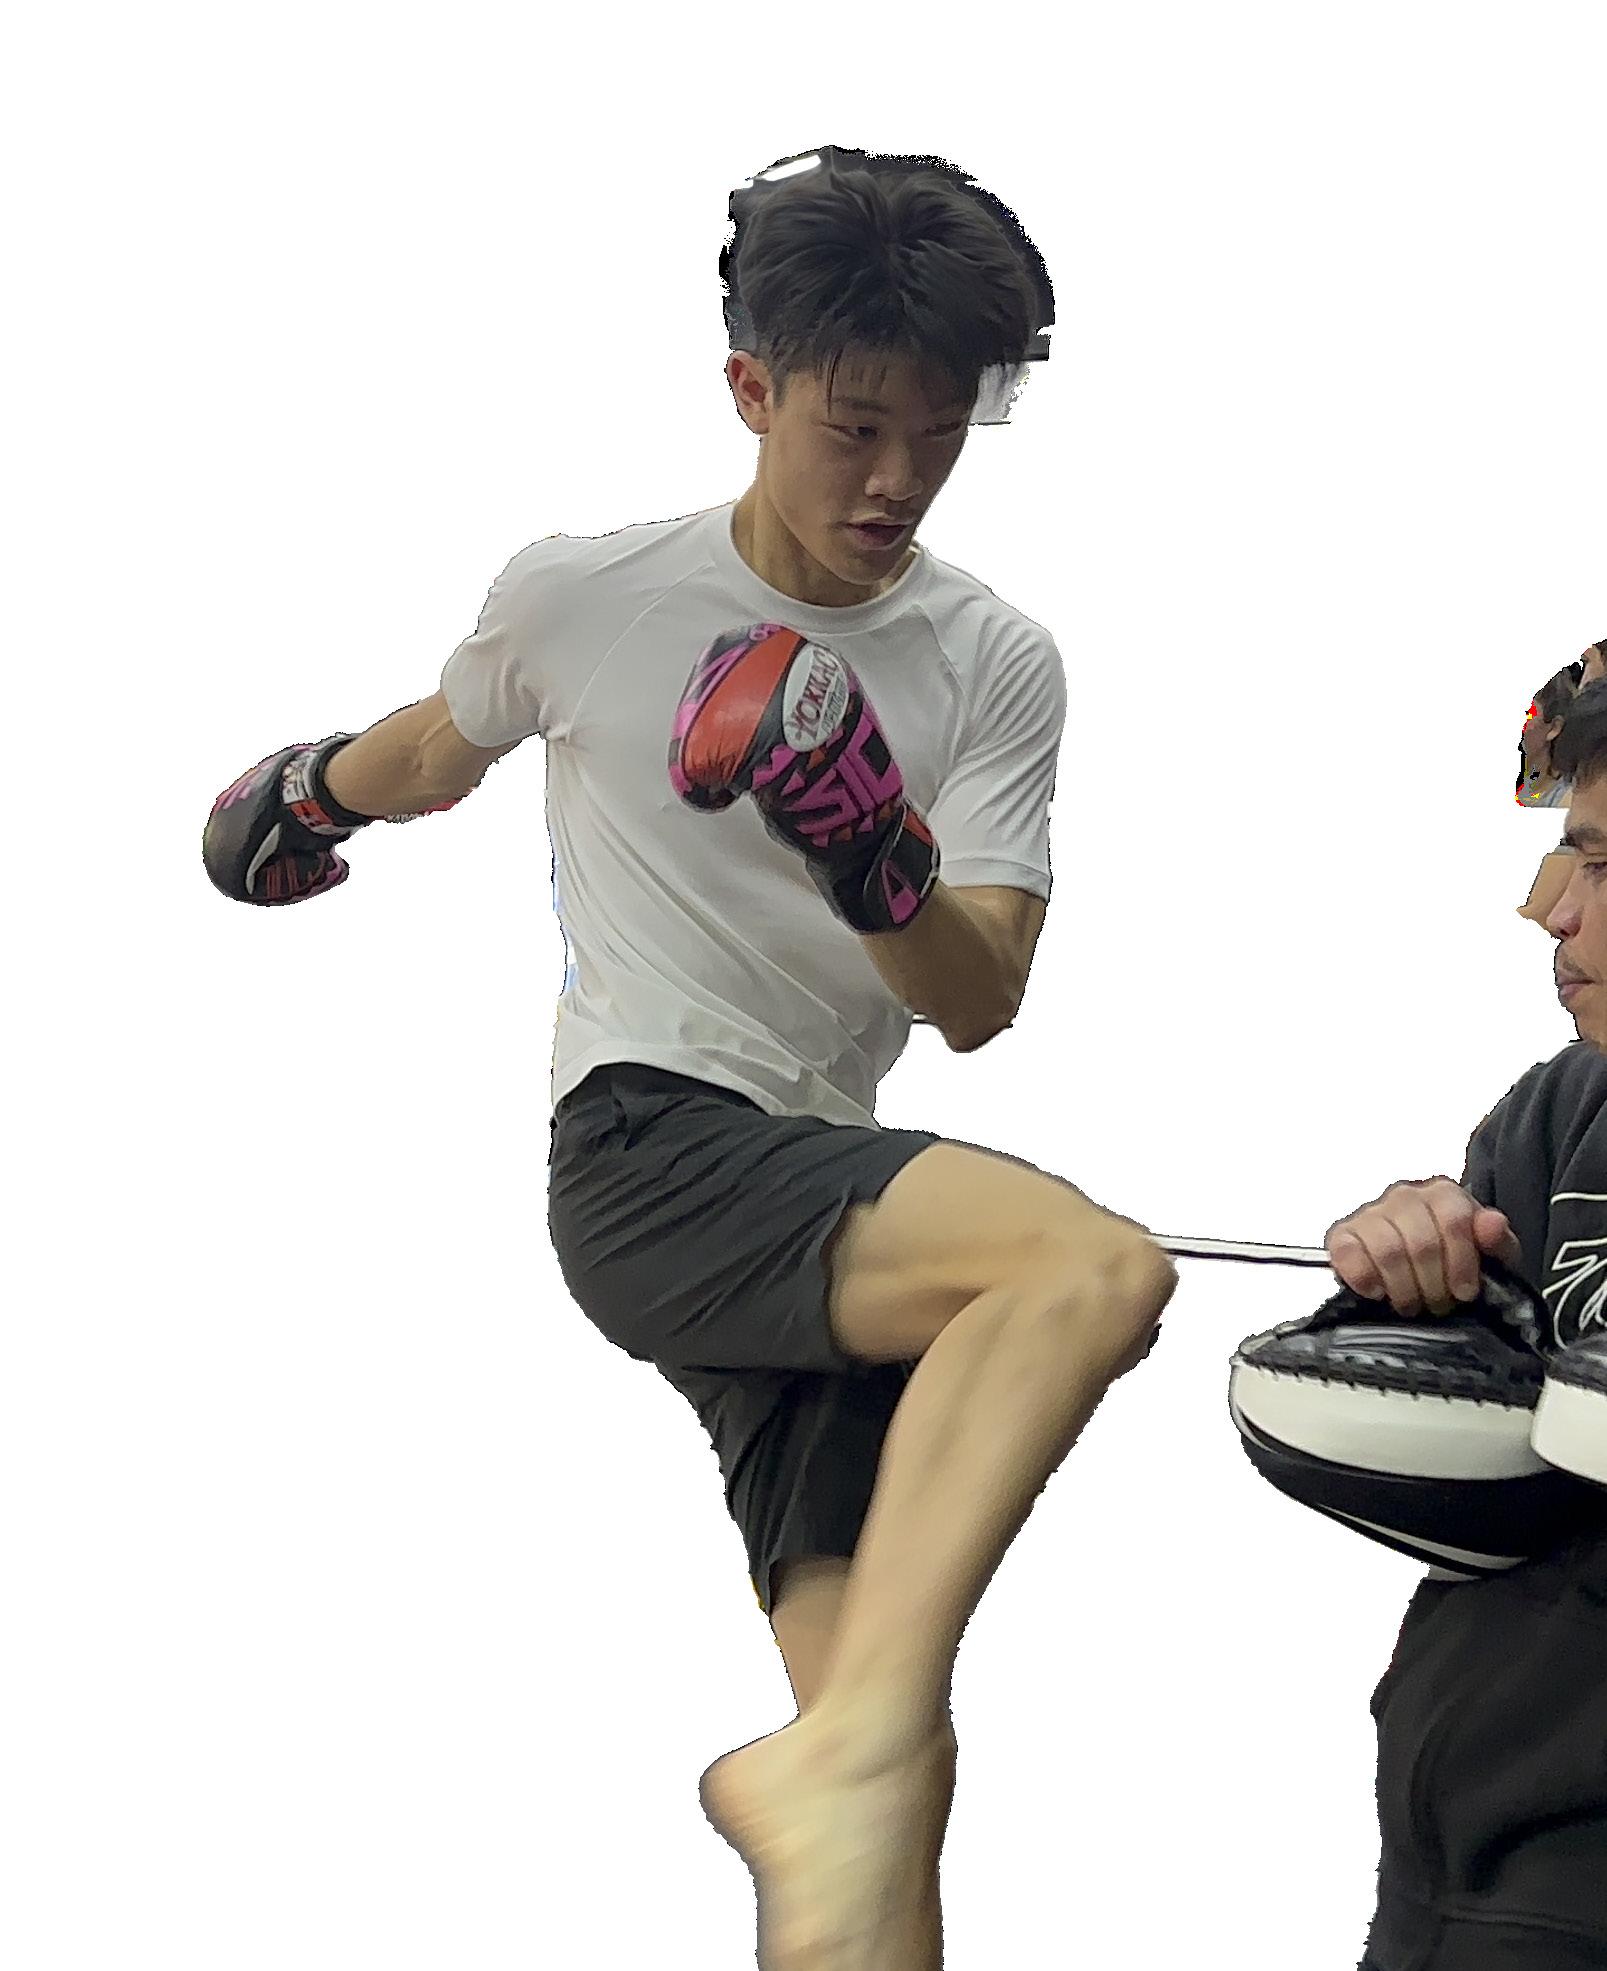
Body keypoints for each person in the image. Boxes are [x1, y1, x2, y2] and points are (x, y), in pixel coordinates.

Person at [202, 156, 1607, 1970]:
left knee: (873, 1819)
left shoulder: (991, 659)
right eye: (854, 429)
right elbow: (432, 747)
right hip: (653, 1155)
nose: (895, 481)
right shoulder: (587, 595)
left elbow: (977, 996)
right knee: (1085, 1268)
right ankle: (847, 1754)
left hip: (830, 1218)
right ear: (752, 388)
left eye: (937, 438)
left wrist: (863, 835)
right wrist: (303, 800)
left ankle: (850, 1784)